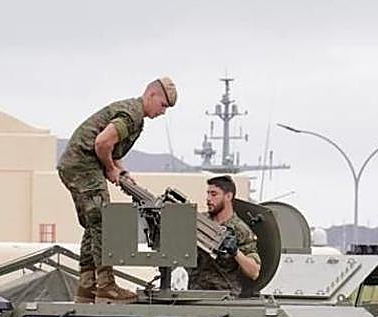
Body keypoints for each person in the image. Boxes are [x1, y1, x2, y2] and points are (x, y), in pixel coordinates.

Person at [58, 78, 177, 304]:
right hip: (83, 165)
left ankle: (87, 286)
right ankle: (106, 286)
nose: (163, 112)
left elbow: (113, 147)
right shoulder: (131, 115)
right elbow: (103, 143)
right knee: (103, 221)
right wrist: (111, 168)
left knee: (94, 224)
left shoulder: (135, 117)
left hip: (77, 165)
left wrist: (120, 172)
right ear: (151, 95)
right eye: (163, 105)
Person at [189, 175, 261, 296]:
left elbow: (254, 272)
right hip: (195, 295)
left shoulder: (240, 230)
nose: (208, 199)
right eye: (207, 193)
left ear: (228, 196)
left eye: (214, 194)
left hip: (224, 299)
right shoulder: (199, 222)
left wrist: (235, 251)